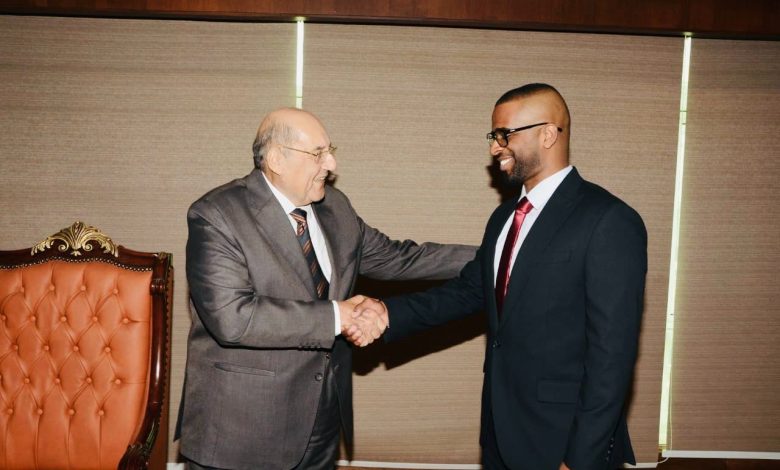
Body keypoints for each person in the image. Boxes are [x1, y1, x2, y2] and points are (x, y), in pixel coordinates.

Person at [355, 83, 648, 470]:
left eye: (504, 134)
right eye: (493, 136)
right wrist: (387, 313)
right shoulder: (504, 217)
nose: (495, 148)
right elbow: (469, 291)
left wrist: (579, 459)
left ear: (548, 134)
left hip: (563, 440)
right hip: (500, 431)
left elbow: (612, 357)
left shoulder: (609, 220)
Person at [176, 107, 475, 470]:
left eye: (330, 151)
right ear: (276, 159)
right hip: (243, 427)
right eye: (318, 154)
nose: (331, 164)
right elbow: (233, 318)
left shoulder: (336, 206)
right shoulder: (218, 214)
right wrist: (339, 315)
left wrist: (498, 253)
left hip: (322, 420)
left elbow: (400, 258)